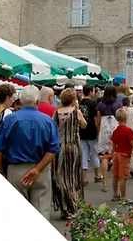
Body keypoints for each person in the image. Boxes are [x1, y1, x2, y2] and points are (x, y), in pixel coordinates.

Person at [0, 85, 60, 221]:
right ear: (37, 101)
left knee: (17, 214)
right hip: (41, 169)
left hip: (16, 169)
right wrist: (37, 169)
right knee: (41, 210)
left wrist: (0, 171)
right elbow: (53, 149)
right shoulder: (48, 121)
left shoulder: (10, 119)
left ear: (21, 101)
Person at [52, 88, 87, 219]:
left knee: (60, 176)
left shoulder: (56, 113)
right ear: (73, 100)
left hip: (60, 147)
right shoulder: (76, 112)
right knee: (73, 177)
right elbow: (84, 125)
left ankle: (64, 207)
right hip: (73, 147)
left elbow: (53, 127)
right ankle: (74, 205)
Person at [110, 108, 133, 201]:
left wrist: (112, 154)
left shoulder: (115, 131)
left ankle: (115, 194)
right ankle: (123, 196)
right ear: (126, 119)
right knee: (123, 177)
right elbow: (132, 143)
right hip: (124, 155)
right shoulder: (128, 131)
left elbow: (113, 145)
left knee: (115, 175)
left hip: (116, 154)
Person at [96, 85, 122, 192]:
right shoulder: (118, 104)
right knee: (117, 155)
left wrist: (98, 133)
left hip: (104, 130)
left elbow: (98, 121)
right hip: (115, 129)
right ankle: (118, 183)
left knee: (104, 156)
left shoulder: (100, 105)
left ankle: (105, 183)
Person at [79, 84, 102, 185]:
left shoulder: (79, 103)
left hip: (81, 131)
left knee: (83, 154)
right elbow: (96, 119)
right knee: (94, 153)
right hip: (92, 130)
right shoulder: (93, 103)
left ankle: (84, 177)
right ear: (90, 92)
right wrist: (98, 131)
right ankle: (97, 175)